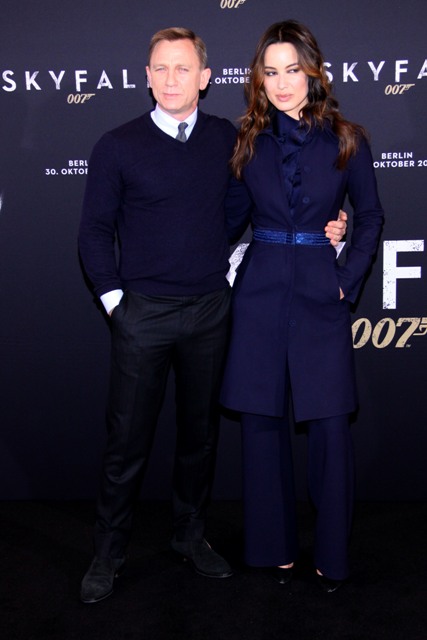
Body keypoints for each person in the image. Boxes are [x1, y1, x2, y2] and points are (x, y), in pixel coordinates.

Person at [78, 26, 347, 604]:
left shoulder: (230, 138)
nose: (170, 79)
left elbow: (257, 201)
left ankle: (189, 535)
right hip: (142, 313)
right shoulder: (116, 145)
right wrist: (116, 302)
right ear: (146, 76)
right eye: (160, 68)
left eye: (183, 68)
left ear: (204, 78)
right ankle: (108, 552)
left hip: (209, 310)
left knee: (199, 439)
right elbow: (94, 232)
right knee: (127, 441)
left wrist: (333, 218)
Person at [220, 20, 384, 592]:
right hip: (260, 291)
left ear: (313, 73)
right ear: (258, 79)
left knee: (331, 424)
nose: (282, 82)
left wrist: (346, 278)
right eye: (271, 72)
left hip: (320, 289)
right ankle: (273, 548)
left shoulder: (347, 139)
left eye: (293, 69)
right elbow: (226, 219)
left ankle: (332, 553)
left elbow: (371, 216)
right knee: (261, 422)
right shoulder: (247, 142)